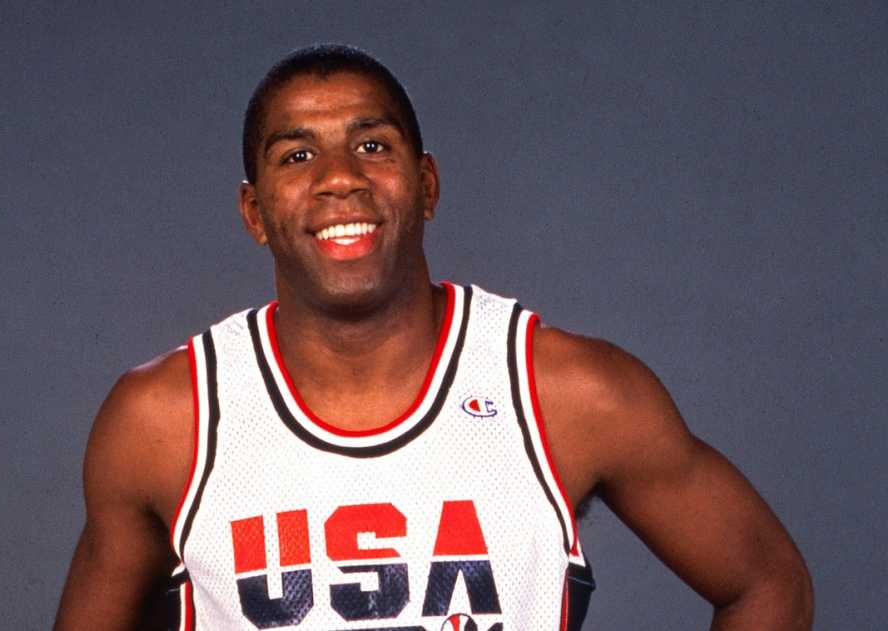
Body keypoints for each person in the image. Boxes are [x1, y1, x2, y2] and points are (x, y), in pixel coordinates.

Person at [53, 44, 813, 631]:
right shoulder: (166, 421)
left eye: (372, 145)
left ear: (427, 186)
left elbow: (767, 582)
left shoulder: (566, 393)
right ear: (255, 213)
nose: (339, 177)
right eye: (297, 155)